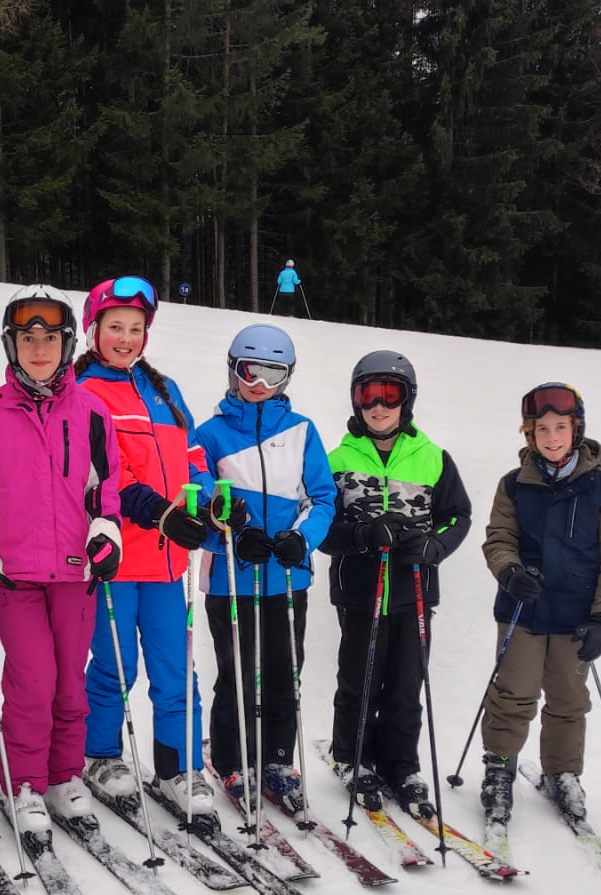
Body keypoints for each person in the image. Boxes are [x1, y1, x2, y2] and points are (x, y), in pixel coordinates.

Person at [0, 287, 122, 834]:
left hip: (76, 574)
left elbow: (105, 491)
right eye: (28, 339)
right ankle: (24, 782)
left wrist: (105, 534)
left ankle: (63, 776)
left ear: (68, 344)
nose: (39, 349)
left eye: (50, 339)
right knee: (32, 681)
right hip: (14, 574)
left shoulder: (92, 411)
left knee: (70, 682)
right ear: (12, 345)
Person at [77, 276, 232, 816]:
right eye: (115, 327)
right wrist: (160, 513)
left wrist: (208, 502)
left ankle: (177, 767)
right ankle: (100, 754)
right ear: (93, 331)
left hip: (168, 564)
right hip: (115, 560)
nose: (126, 338)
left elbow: (192, 456)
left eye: (136, 329)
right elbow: (105, 474)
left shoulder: (164, 391)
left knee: (176, 671)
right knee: (114, 667)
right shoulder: (84, 392)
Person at [318, 350, 471, 819]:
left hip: (413, 593)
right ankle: (353, 756)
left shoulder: (433, 458)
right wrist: (363, 535)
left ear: (408, 400)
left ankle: (401, 764)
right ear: (355, 400)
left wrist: (433, 547)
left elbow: (458, 516)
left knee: (406, 683)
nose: (378, 407)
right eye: (368, 395)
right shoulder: (337, 459)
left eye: (390, 395)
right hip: (360, 592)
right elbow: (322, 528)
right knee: (360, 678)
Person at [475, 383, 601, 829]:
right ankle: (499, 767)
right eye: (541, 429)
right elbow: (498, 539)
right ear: (529, 434)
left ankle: (562, 773)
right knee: (513, 693)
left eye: (560, 427)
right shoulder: (514, 485)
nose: (551, 437)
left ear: (575, 429)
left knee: (569, 699)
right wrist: (510, 573)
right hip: (522, 610)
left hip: (577, 616)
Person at [190, 324, 336, 807]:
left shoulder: (302, 431)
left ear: (287, 377)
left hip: (286, 577)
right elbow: (200, 505)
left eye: (273, 374)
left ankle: (276, 757)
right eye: (249, 370)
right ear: (233, 369)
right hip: (231, 579)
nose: (259, 383)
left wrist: (303, 539)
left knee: (283, 672)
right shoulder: (208, 435)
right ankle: (232, 759)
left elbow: (322, 498)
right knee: (237, 670)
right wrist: (232, 536)